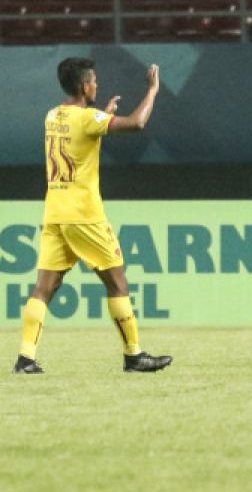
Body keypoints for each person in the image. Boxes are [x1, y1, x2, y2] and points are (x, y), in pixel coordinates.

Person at [14, 58, 172, 374]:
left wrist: (105, 115)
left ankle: (25, 358)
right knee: (117, 281)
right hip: (85, 214)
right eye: (95, 81)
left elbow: (80, 135)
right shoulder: (87, 118)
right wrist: (153, 91)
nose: (97, 86)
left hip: (56, 211)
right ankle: (134, 355)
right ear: (85, 85)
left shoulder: (52, 116)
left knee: (45, 286)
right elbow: (138, 123)